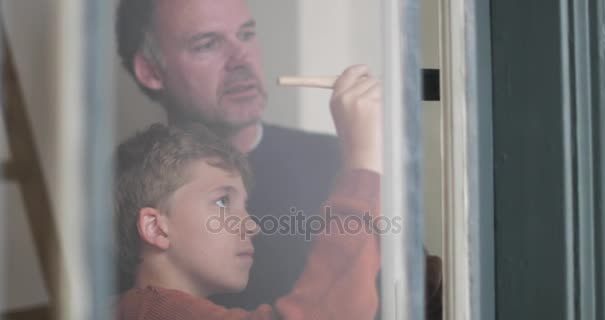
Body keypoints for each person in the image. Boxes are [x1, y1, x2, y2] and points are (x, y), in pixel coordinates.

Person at [115, 0, 441, 317]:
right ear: (150, 70)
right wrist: (364, 164)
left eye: (246, 34)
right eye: (207, 43)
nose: (241, 57)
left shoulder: (335, 159)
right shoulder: (113, 195)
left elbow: (420, 296)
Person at [113, 66, 383, 319]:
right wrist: (362, 160)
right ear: (156, 228)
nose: (253, 226)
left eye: (244, 206)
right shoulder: (148, 312)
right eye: (222, 201)